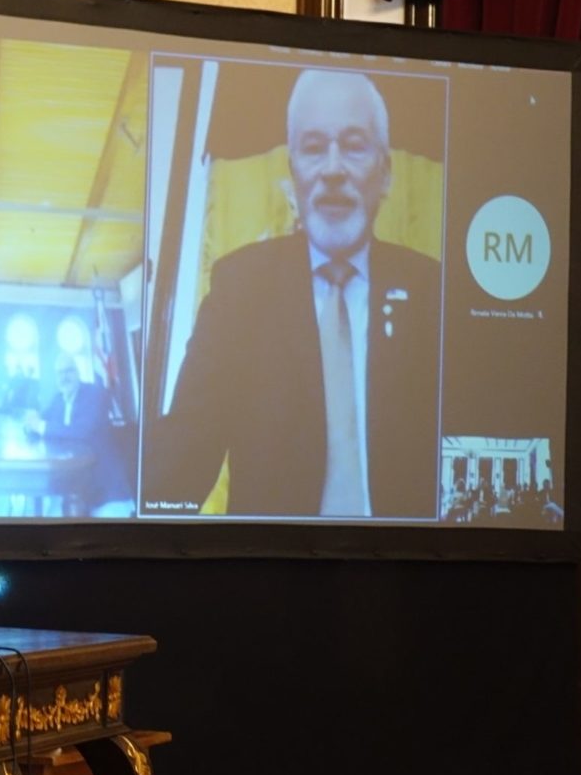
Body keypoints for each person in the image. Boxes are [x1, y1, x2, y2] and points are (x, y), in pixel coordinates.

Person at [144, 69, 442, 518]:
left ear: (385, 174)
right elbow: (187, 449)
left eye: (355, 145)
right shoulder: (239, 287)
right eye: (314, 148)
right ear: (292, 175)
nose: (333, 170)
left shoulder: (432, 291)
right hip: (275, 576)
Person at [28, 353, 123, 513]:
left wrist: (40, 426)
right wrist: (30, 423)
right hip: (75, 485)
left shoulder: (95, 394)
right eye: (60, 373)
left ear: (78, 372)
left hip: (106, 491)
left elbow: (81, 431)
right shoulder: (59, 399)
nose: (64, 377)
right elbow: (38, 422)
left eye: (69, 371)